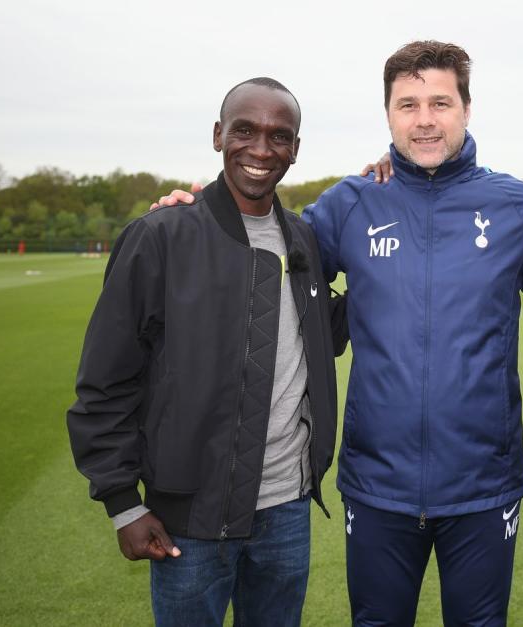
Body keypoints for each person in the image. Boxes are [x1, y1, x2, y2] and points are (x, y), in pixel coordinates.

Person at [154, 41, 523, 626]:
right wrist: (194, 218)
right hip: (377, 484)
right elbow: (263, 248)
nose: (425, 120)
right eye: (407, 105)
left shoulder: (515, 204)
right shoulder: (350, 203)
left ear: (466, 108)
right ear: (388, 113)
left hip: (484, 483)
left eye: (440, 102)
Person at [66, 77, 339, 627]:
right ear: (218, 136)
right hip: (189, 517)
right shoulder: (160, 234)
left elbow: (322, 337)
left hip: (287, 510)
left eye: (279, 136)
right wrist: (124, 502)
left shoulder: (304, 240)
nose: (261, 150)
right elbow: (106, 379)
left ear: (295, 149)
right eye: (245, 131)